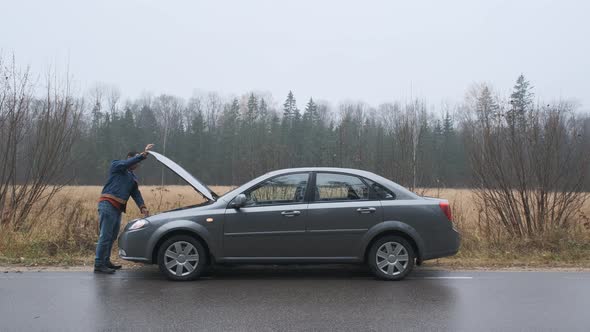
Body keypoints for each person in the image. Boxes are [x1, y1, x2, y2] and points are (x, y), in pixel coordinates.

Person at [94, 144, 154, 274]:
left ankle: (105, 261)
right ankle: (98, 264)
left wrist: (142, 207)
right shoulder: (117, 165)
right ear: (129, 158)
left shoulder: (132, 177)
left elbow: (135, 193)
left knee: (112, 236)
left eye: (138, 163)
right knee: (105, 236)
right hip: (107, 204)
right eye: (135, 161)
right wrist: (142, 156)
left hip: (117, 208)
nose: (137, 165)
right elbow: (127, 163)